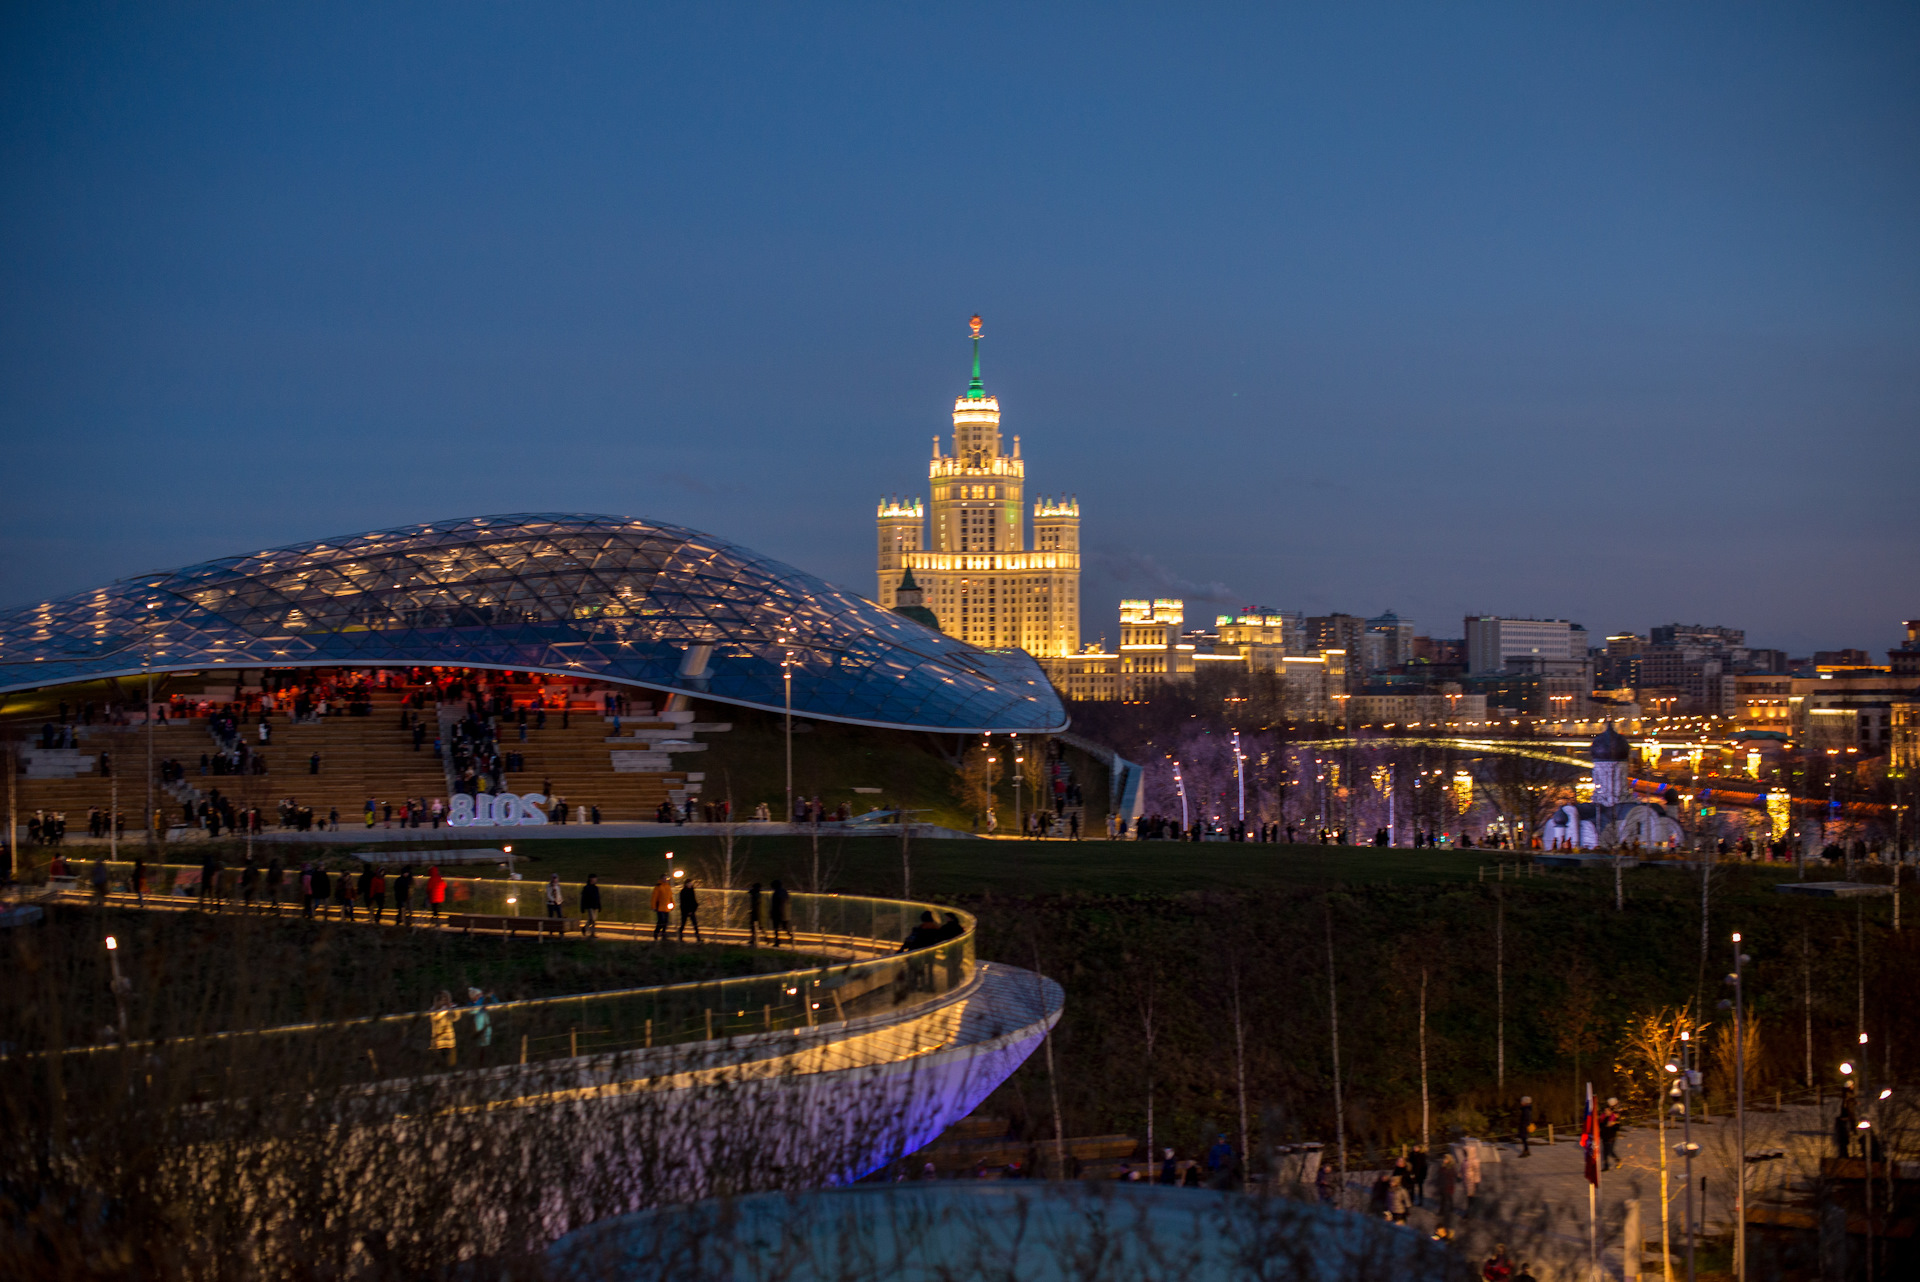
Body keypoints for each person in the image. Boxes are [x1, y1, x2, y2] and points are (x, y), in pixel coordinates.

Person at [430, 991, 458, 1067]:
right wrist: (442, 1011)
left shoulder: (449, 1008)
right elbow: (435, 1018)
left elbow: (455, 1018)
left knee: (450, 1061)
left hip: (449, 1039)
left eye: (446, 999)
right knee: (439, 1061)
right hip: (438, 1040)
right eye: (442, 999)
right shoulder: (433, 1010)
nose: (444, 1001)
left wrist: (453, 1010)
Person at [1599, 1098, 1623, 1171]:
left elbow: (1617, 1127)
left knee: (1610, 1151)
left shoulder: (1614, 1119)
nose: (1605, 1111)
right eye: (1605, 1110)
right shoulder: (1603, 1118)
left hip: (1611, 1138)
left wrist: (1613, 1124)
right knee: (1604, 1152)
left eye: (1607, 1110)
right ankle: (1606, 1166)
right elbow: (1601, 1126)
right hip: (1604, 1137)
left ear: (1610, 1111)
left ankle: (1618, 1161)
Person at [1437, 1151, 1459, 1222]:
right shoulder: (1442, 1167)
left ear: (1449, 1160)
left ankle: (1450, 1208)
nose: (1444, 1160)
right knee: (1443, 1199)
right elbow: (1439, 1175)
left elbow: (1454, 1175)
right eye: (1444, 1159)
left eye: (1446, 1159)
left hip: (1449, 1185)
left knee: (1448, 1198)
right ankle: (1442, 1211)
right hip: (1442, 1185)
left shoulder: (1451, 1167)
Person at [676, 876, 701, 943]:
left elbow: (693, 901)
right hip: (685, 910)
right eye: (689, 883)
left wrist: (694, 907)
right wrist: (689, 910)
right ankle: (680, 936)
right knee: (684, 923)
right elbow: (684, 902)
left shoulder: (691, 891)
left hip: (691, 910)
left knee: (694, 924)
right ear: (686, 884)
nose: (691, 884)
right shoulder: (684, 892)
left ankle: (698, 937)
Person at [651, 874, 675, 941]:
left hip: (666, 907)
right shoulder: (658, 886)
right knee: (661, 920)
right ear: (661, 879)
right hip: (660, 907)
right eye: (664, 878)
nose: (666, 880)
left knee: (665, 921)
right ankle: (657, 932)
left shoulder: (668, 887)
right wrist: (653, 906)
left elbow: (670, 897)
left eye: (666, 878)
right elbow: (654, 897)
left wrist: (672, 904)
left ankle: (663, 933)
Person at [770, 879, 793, 947]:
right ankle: (791, 936)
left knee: (776, 928)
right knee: (784, 927)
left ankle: (777, 941)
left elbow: (775, 904)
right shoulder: (784, 892)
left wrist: (772, 912)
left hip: (777, 913)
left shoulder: (776, 893)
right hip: (784, 913)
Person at [580, 872, 602, 937]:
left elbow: (598, 898)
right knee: (593, 920)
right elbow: (583, 898)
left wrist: (599, 906)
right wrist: (582, 907)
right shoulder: (586, 888)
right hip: (589, 906)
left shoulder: (596, 888)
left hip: (595, 906)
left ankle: (585, 928)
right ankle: (592, 933)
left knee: (592, 919)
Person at [747, 881, 767, 947]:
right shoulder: (759, 895)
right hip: (758, 913)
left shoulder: (755, 895)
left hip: (755, 913)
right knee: (759, 927)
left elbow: (755, 904)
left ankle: (754, 939)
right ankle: (765, 938)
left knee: (754, 927)